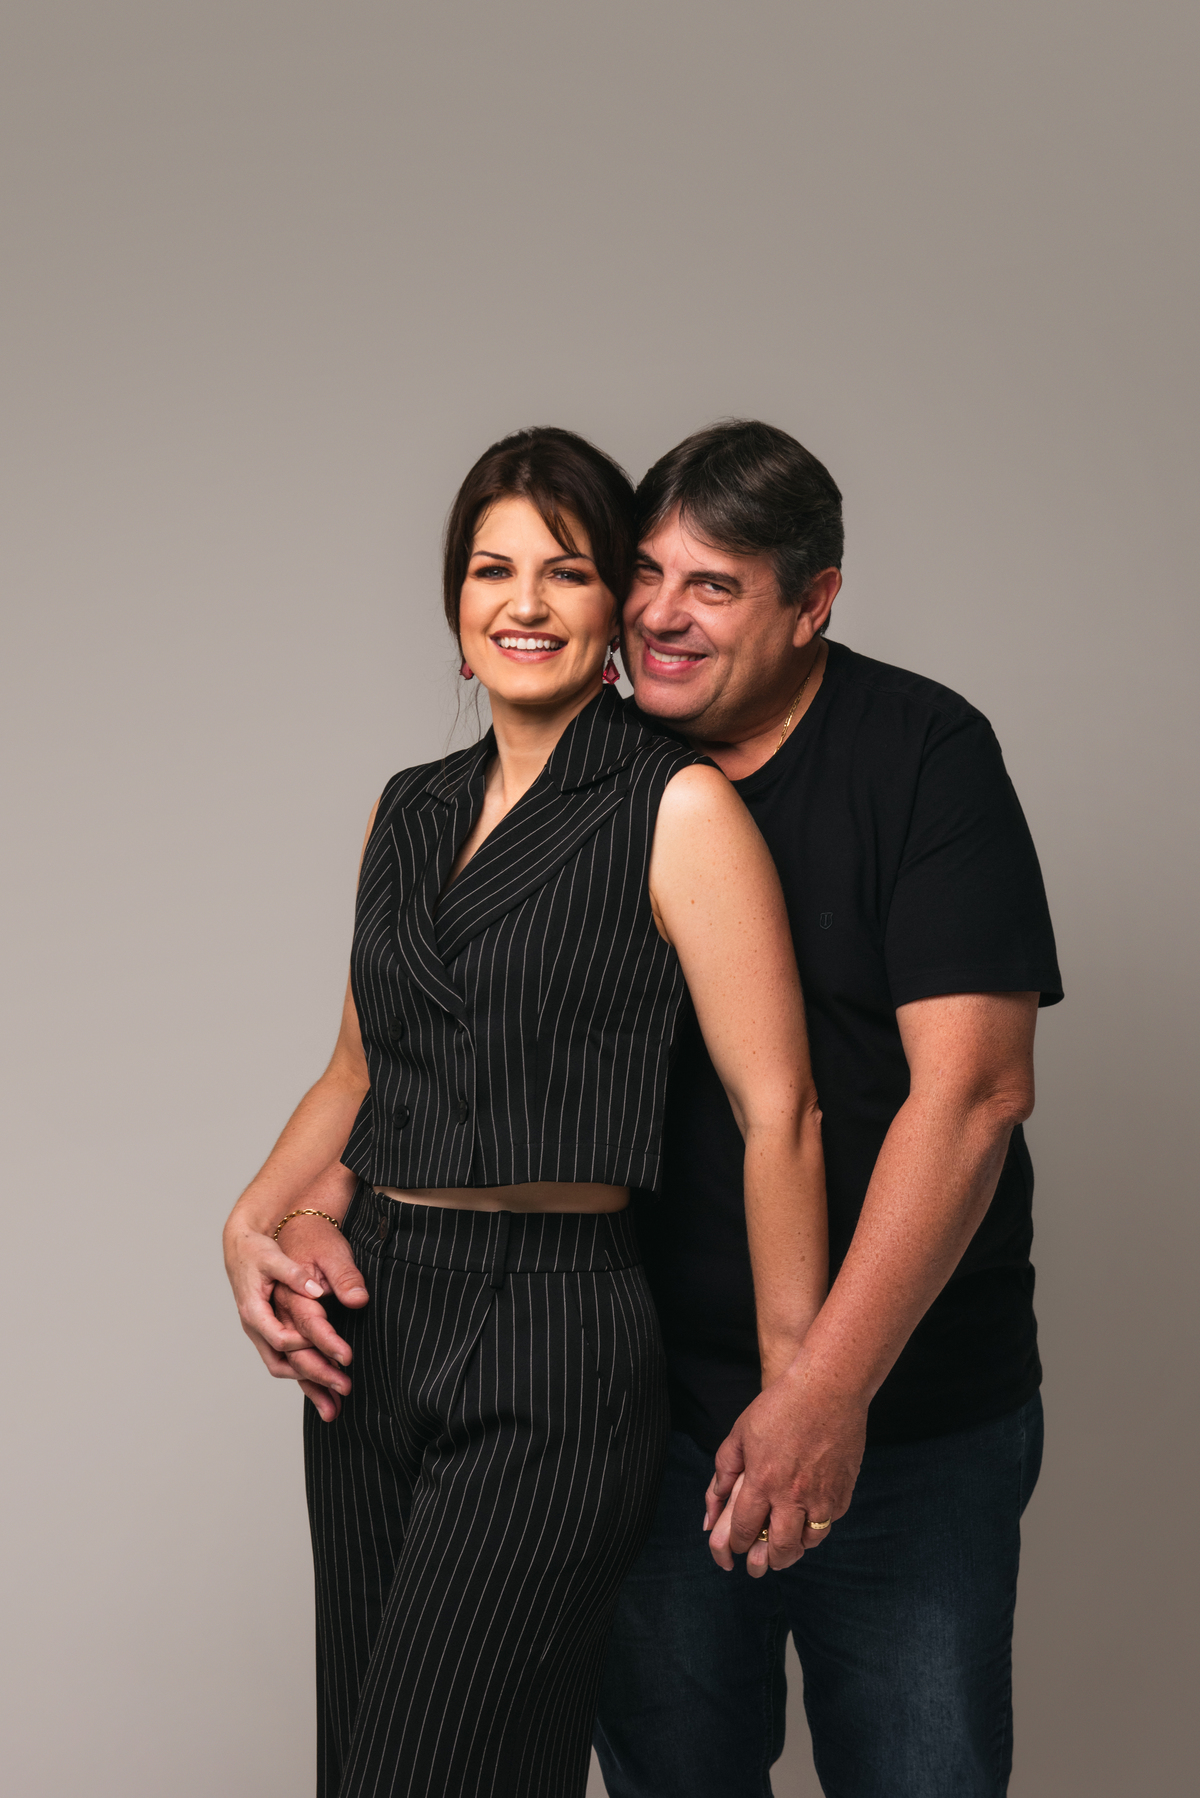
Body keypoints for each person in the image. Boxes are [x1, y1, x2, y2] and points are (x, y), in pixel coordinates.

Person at [222, 426, 829, 1798]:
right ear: (455, 605)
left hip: (555, 1334)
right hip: (375, 1317)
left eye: (567, 570)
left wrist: (794, 1377)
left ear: (617, 606)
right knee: (385, 1764)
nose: (525, 602)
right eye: (492, 570)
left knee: (426, 1771)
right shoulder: (407, 809)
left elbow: (778, 1108)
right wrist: (250, 1221)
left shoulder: (676, 806)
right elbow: (357, 1071)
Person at [593, 419, 1063, 1798]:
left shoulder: (923, 751)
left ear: (815, 603)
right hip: (649, 1419)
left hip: (911, 1416)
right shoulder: (590, 764)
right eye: (646, 572)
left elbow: (974, 1093)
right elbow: (445, 1043)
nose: (659, 616)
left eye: (713, 585)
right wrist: (294, 1208)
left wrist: (824, 1390)